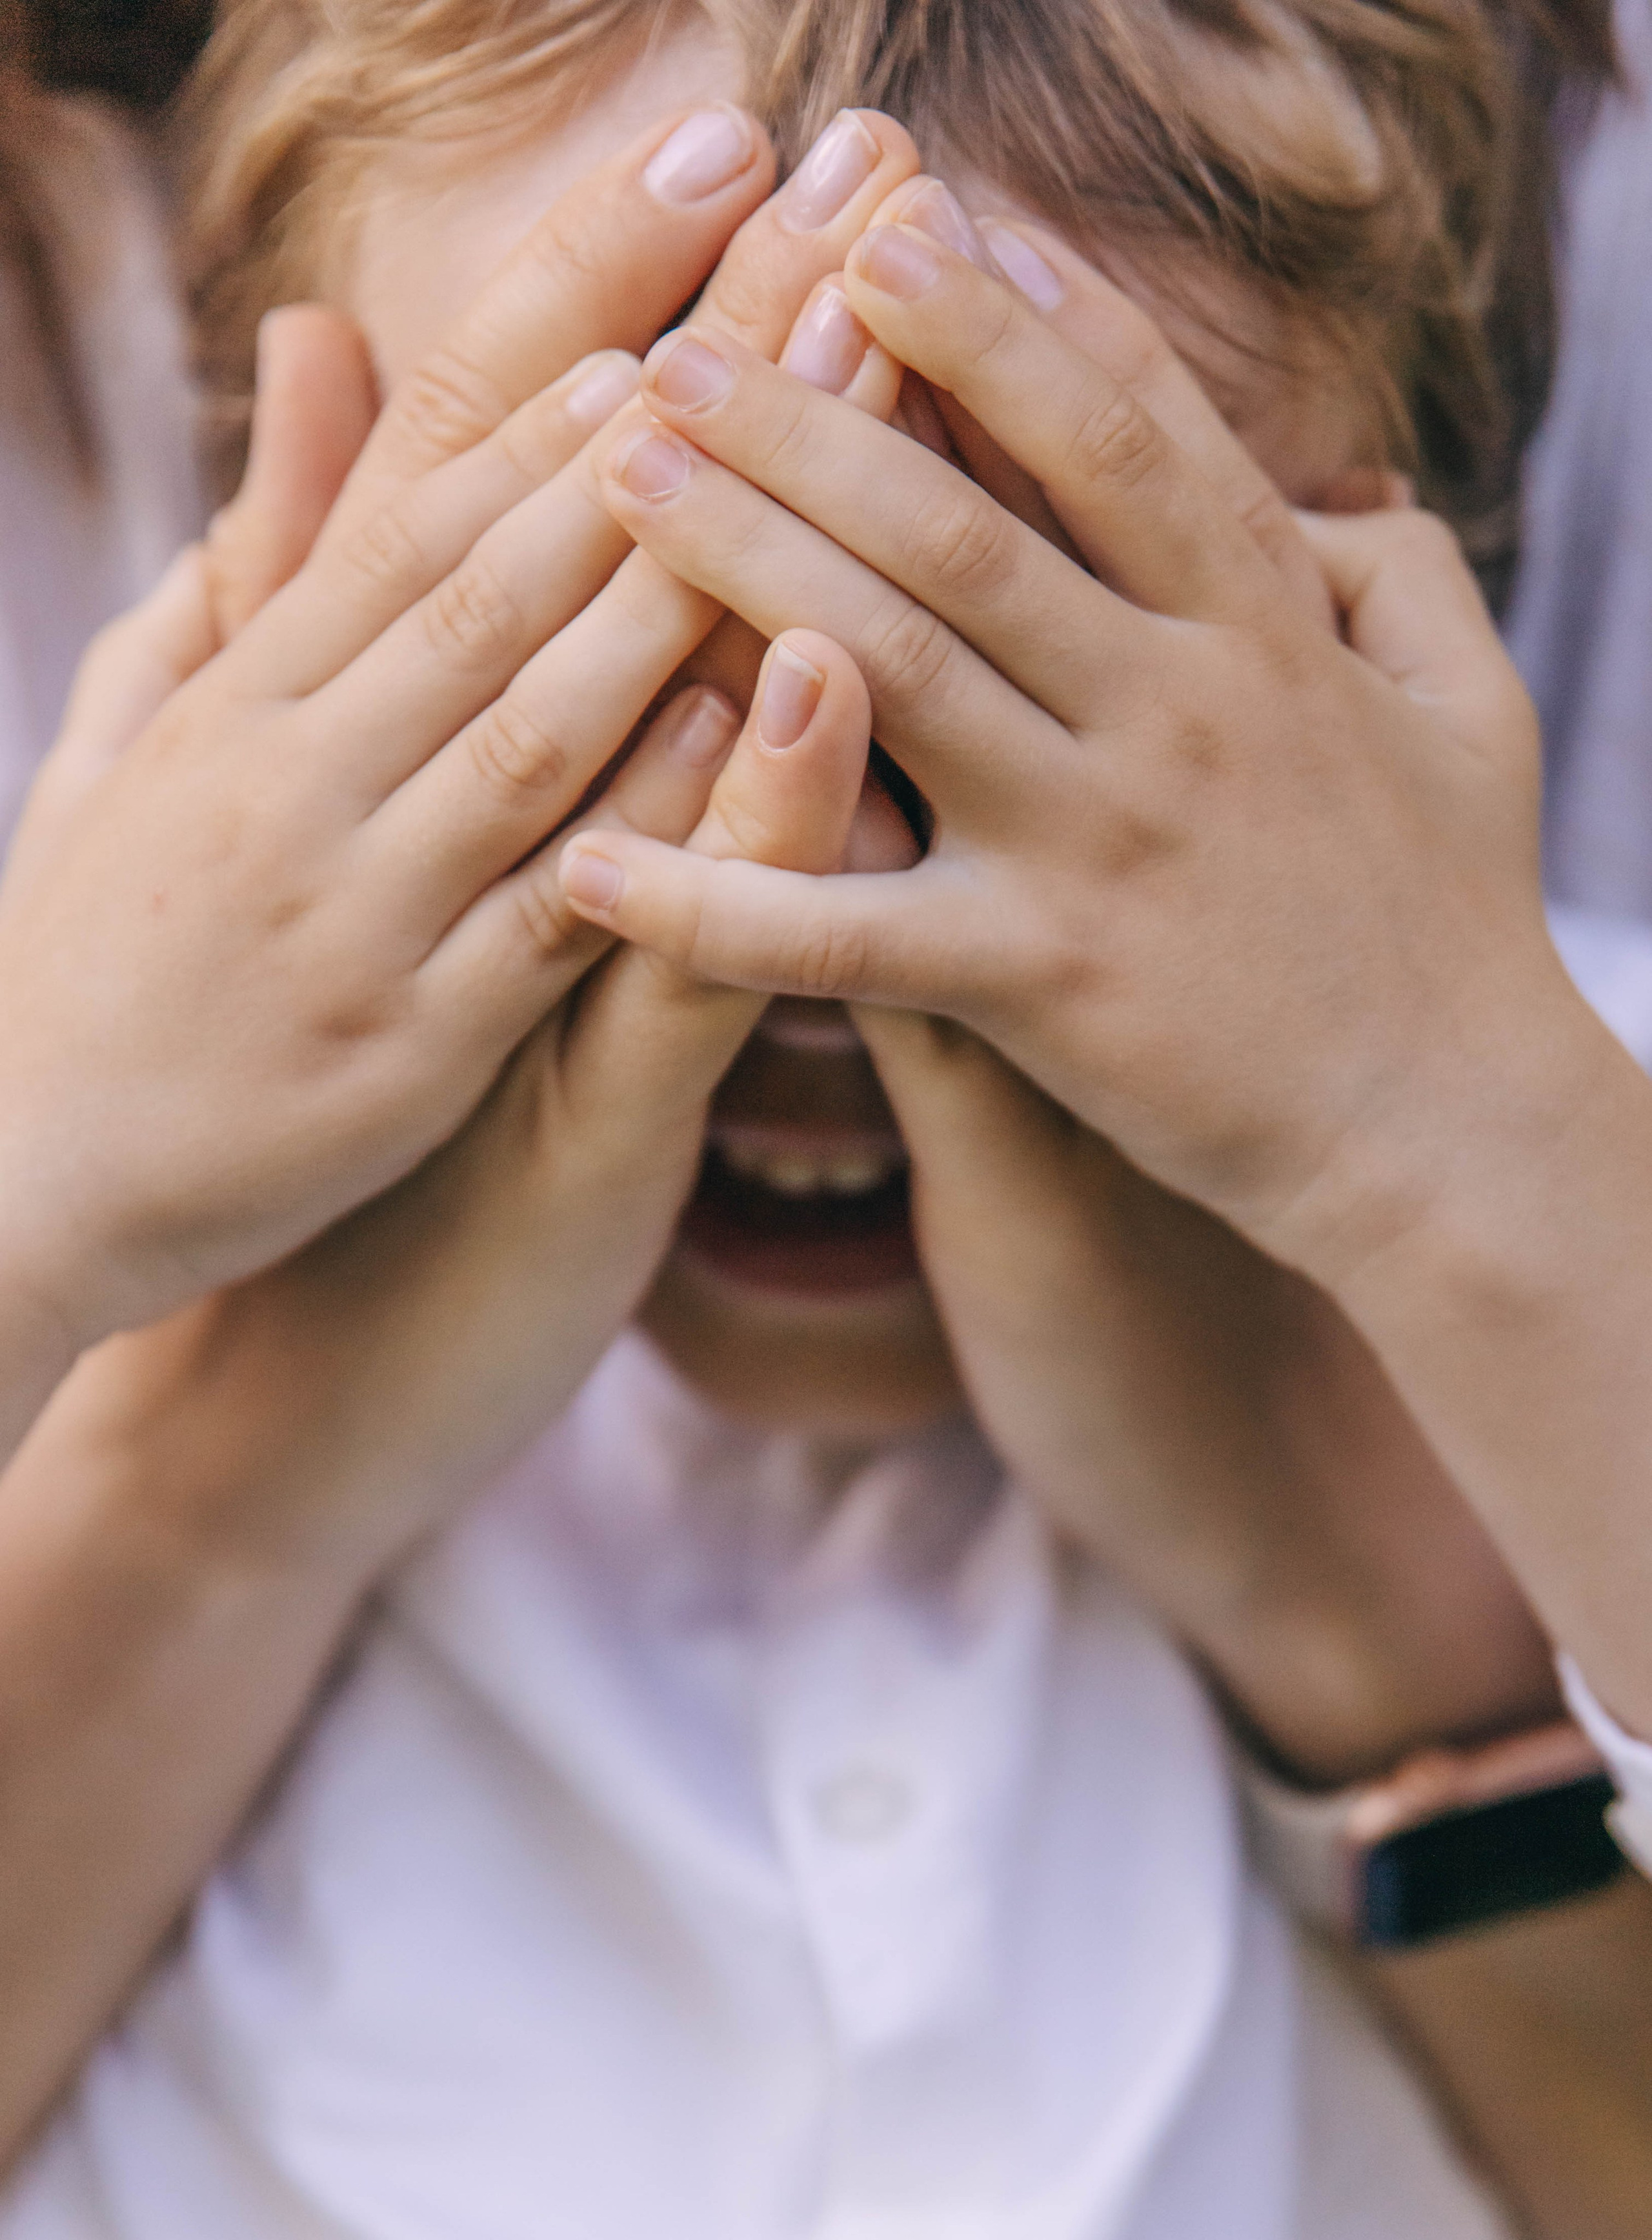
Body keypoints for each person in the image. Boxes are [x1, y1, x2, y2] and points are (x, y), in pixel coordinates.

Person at [5, 4, 1652, 2237]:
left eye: (1048, 658)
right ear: (256, 554)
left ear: (1422, 590)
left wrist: (1467, 1162)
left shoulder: (1566, 1152)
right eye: (577, 638)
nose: (797, 889)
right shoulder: (77, 1207)